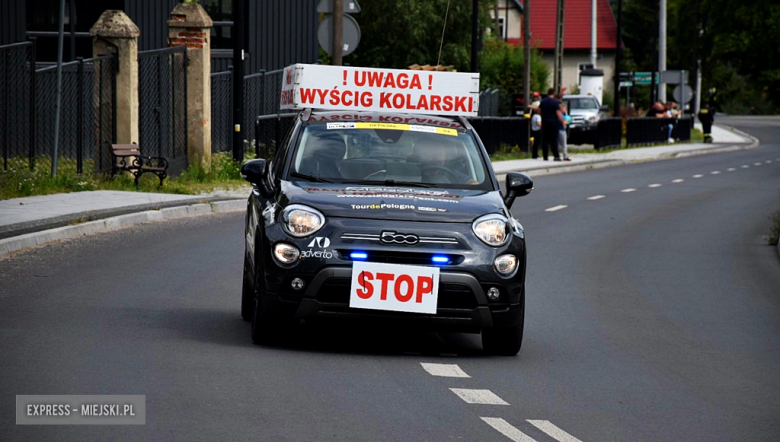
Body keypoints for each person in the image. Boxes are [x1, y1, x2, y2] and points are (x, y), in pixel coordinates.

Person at [539, 88, 565, 161]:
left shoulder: (543, 101)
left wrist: (543, 117)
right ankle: (556, 156)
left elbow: (539, 111)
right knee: (554, 139)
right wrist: (563, 122)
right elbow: (558, 113)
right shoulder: (555, 102)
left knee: (545, 139)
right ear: (553, 93)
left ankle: (545, 156)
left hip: (545, 122)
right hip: (553, 122)